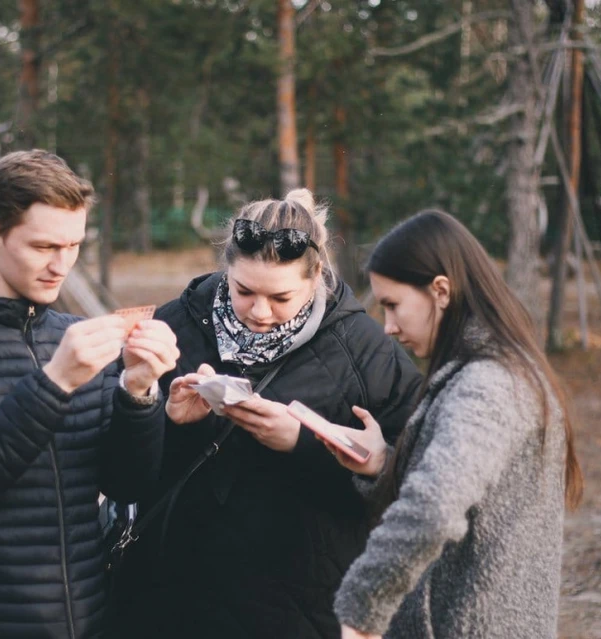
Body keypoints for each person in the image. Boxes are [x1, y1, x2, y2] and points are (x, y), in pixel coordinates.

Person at [0, 150, 180, 639]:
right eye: (43, 246)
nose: (60, 265)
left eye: (74, 245)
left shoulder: (75, 334)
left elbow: (127, 485)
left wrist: (138, 390)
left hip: (87, 616)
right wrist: (56, 381)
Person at [114, 189, 423, 638]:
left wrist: (299, 444)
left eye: (280, 297)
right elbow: (122, 476)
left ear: (316, 274)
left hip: (300, 609)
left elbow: (413, 481)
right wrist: (161, 418)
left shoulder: (366, 351)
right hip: (171, 600)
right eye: (244, 291)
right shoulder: (174, 325)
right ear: (226, 268)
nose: (260, 312)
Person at [320, 210, 583, 639]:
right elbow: (471, 491)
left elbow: (436, 506)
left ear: (440, 290)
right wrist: (383, 463)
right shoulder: (486, 372)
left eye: (393, 305)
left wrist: (364, 604)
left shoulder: (490, 384)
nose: (387, 327)